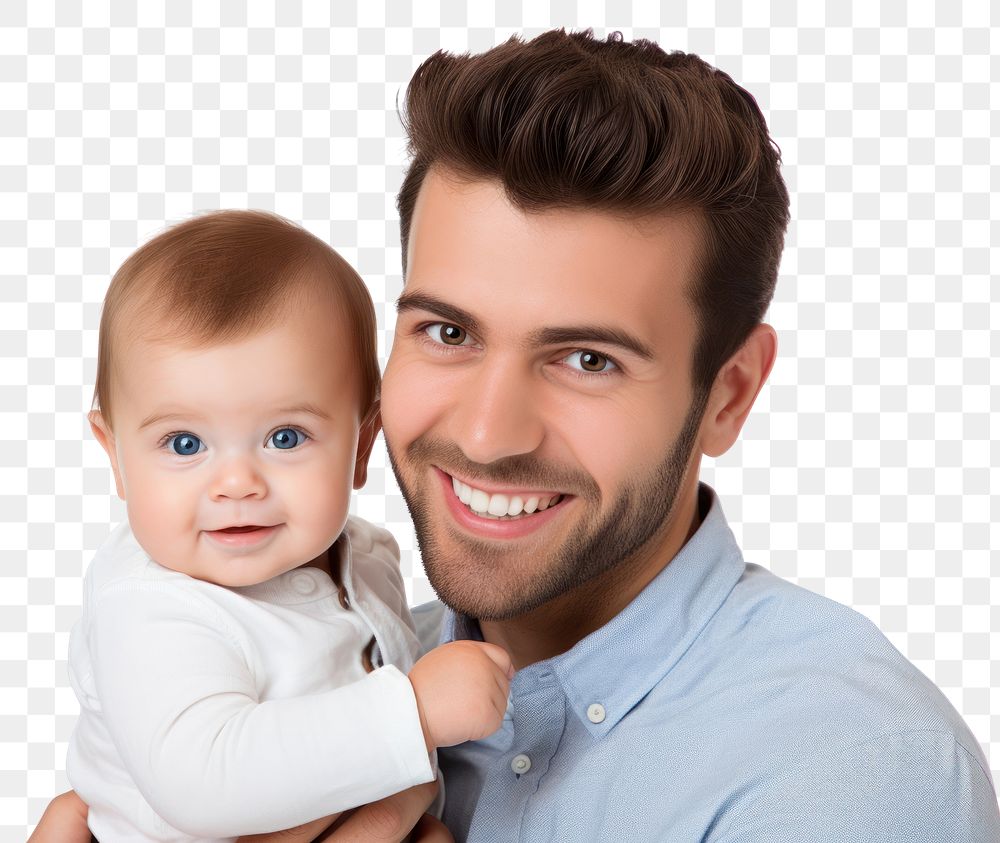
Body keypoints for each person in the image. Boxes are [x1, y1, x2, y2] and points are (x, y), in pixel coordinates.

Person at [34, 29, 1000, 843]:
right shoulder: (346, 661)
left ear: (729, 394)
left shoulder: (845, 773)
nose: (489, 435)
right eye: (448, 333)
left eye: (586, 359)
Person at [59, 210, 511, 842]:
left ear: (361, 446)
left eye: (285, 436)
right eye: (185, 443)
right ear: (116, 457)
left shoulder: (370, 558)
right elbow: (204, 780)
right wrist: (413, 714)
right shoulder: (149, 608)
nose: (237, 482)